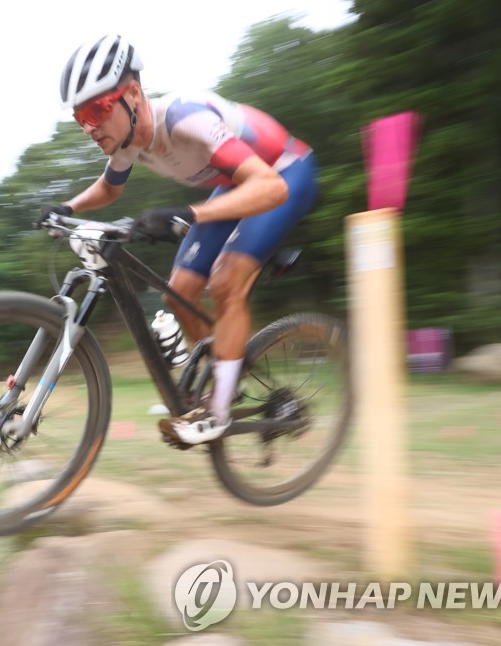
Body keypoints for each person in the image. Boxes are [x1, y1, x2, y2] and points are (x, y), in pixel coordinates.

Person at [37, 34, 319, 447]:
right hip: (237, 184)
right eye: (81, 118)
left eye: (97, 109)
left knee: (225, 283)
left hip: (284, 173)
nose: (91, 127)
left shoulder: (187, 119)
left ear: (132, 94)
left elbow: (270, 188)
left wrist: (186, 214)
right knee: (179, 292)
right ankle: (230, 374)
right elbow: (109, 188)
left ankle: (218, 412)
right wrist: (68, 207)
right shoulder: (127, 140)